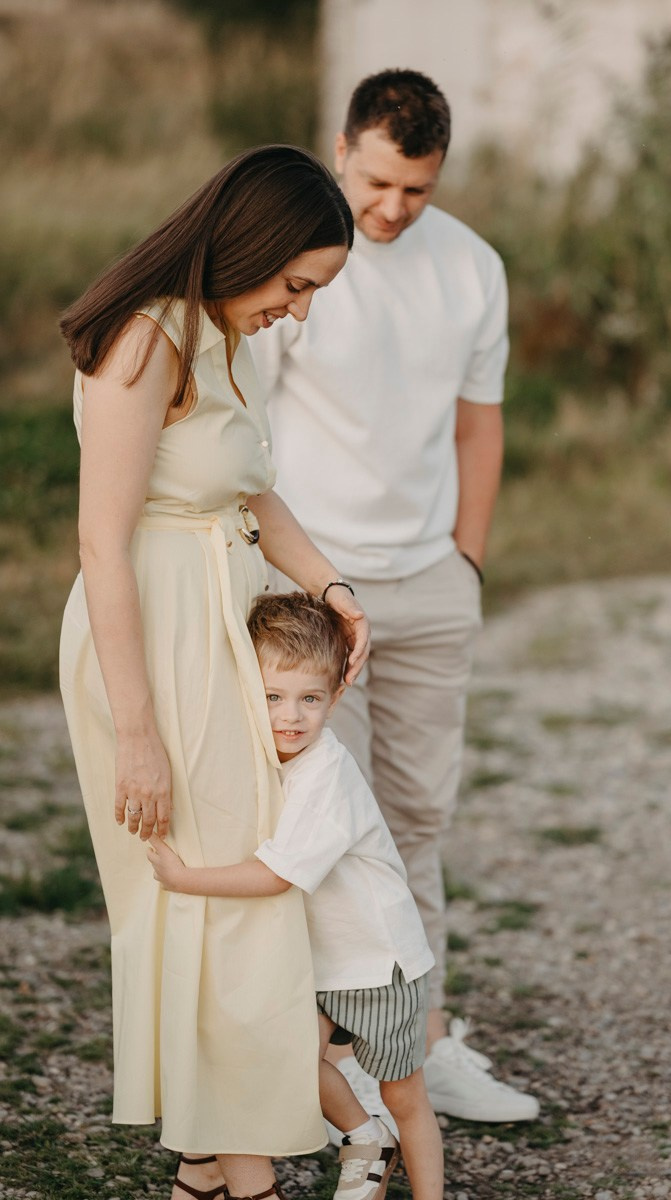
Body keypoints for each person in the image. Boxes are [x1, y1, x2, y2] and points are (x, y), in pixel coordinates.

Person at [59, 145, 371, 1200]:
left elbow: (251, 492)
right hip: (150, 636)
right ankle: (243, 1174)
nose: (297, 310)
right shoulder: (144, 340)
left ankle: (207, 1161)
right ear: (252, 246)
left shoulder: (224, 336)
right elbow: (103, 543)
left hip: (222, 619)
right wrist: (137, 731)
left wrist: (334, 591)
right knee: (209, 899)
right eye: (295, 285)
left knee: (239, 891)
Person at [251, 70, 539, 1123]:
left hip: (430, 585)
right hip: (316, 588)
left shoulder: (471, 268)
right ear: (340, 149)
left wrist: (466, 558)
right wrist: (287, 577)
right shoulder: (300, 262)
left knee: (416, 819)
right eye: (375, 183)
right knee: (329, 819)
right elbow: (252, 428)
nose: (389, 209)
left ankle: (421, 1043)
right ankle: (330, 1064)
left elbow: (478, 424)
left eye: (413, 190)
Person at [147, 592, 444, 1200]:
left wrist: (186, 879)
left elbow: (275, 876)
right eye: (273, 696)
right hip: (318, 962)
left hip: (376, 964)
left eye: (311, 698)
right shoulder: (266, 758)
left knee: (405, 1094)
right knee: (286, 1066)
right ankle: (366, 1139)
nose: (292, 717)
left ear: (336, 697)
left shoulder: (324, 774)